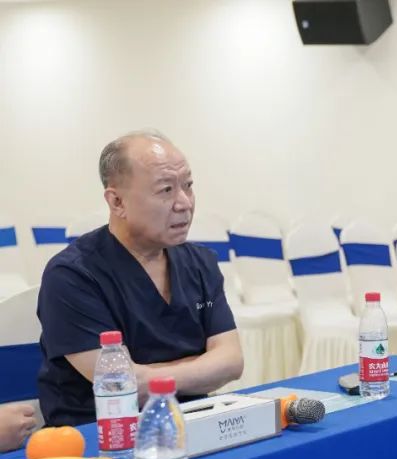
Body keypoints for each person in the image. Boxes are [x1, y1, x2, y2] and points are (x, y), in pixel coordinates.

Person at [37, 130, 243, 426]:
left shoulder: (200, 263)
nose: (184, 203)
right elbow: (124, 386)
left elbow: (232, 362)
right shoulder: (72, 275)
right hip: (101, 435)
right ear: (117, 202)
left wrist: (151, 375)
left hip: (194, 424)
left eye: (188, 186)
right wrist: (201, 366)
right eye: (166, 190)